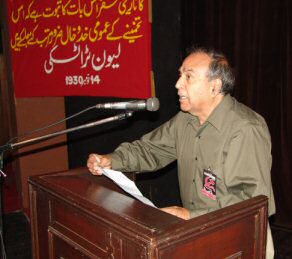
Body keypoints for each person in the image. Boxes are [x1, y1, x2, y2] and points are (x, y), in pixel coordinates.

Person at [87, 47, 275, 258]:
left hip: (241, 239)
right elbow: (150, 150)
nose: (178, 84)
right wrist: (111, 160)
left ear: (214, 86)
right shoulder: (185, 120)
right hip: (197, 233)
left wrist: (190, 215)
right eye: (180, 75)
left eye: (188, 76)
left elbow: (253, 202)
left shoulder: (246, 128)